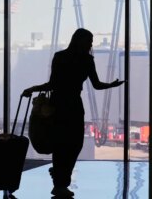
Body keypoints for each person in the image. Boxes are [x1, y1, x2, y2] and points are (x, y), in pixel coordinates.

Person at [22, 28, 124, 197]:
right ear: (82, 41)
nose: (91, 44)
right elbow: (97, 85)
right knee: (74, 144)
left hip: (57, 105)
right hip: (74, 106)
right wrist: (112, 85)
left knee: (60, 144)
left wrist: (32, 89)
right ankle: (61, 180)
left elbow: (52, 84)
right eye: (90, 41)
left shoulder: (60, 57)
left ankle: (59, 181)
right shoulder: (87, 60)